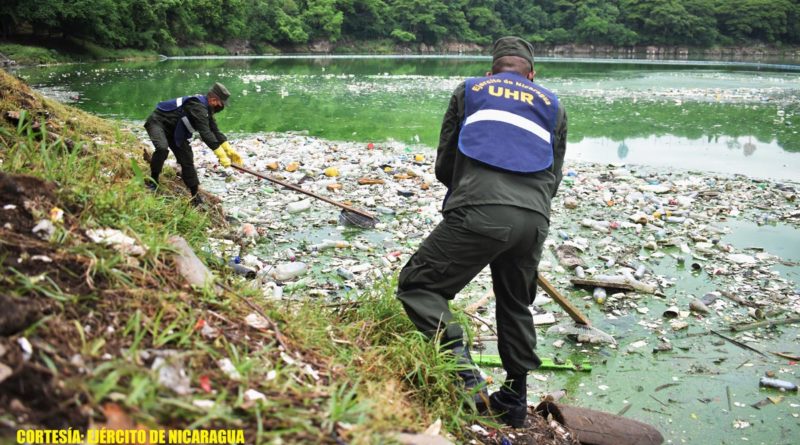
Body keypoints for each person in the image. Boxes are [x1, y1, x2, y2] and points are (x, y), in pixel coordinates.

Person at [396, 36, 567, 428]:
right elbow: (553, 174)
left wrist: (475, 194)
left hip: (480, 211)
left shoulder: (470, 90)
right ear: (532, 74)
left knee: (419, 286)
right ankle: (514, 398)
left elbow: (446, 163)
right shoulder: (553, 105)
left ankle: (465, 376)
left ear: (492, 72)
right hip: (535, 219)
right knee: (514, 303)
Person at [144, 82, 242, 206]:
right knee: (162, 149)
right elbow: (205, 133)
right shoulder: (197, 106)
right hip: (158, 123)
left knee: (187, 161)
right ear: (213, 99)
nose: (221, 106)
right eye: (220, 103)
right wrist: (220, 155)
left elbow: (214, 130)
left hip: (176, 131)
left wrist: (228, 149)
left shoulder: (206, 108)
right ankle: (153, 181)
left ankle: (195, 196)